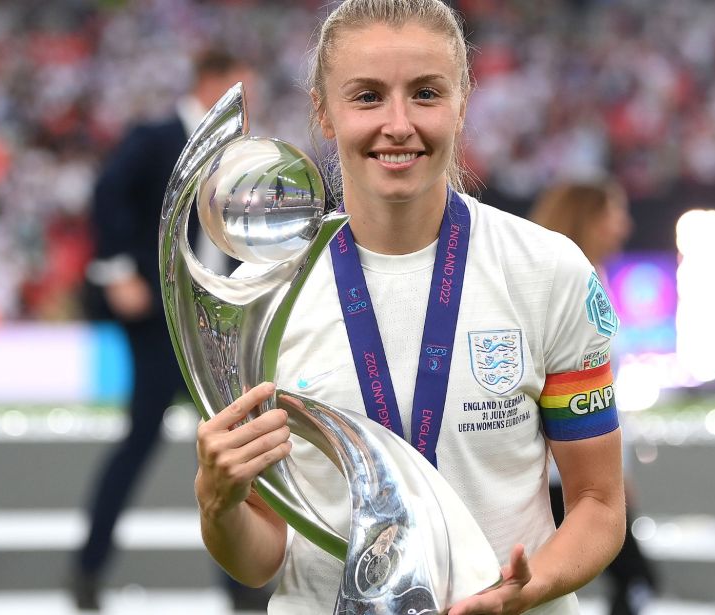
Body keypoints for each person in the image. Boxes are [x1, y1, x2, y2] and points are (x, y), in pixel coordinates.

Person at [194, 1, 626, 613]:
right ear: (323, 109)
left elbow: (599, 505)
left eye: (425, 93)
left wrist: (522, 591)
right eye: (367, 96)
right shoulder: (266, 296)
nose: (398, 124)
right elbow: (262, 555)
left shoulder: (545, 270)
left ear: (462, 101)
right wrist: (219, 505)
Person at [72, 49, 271, 611]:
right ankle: (89, 566)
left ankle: (241, 584)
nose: (246, 103)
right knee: (143, 439)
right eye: (240, 89)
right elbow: (107, 193)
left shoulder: (240, 152)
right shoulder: (158, 136)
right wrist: (117, 271)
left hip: (216, 322)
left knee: (226, 446)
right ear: (211, 83)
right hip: (158, 319)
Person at [529, 181, 660, 615]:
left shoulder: (589, 278)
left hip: (576, 467)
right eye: (615, 213)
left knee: (627, 580)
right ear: (589, 218)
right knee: (632, 580)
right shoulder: (558, 285)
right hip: (558, 472)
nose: (625, 226)